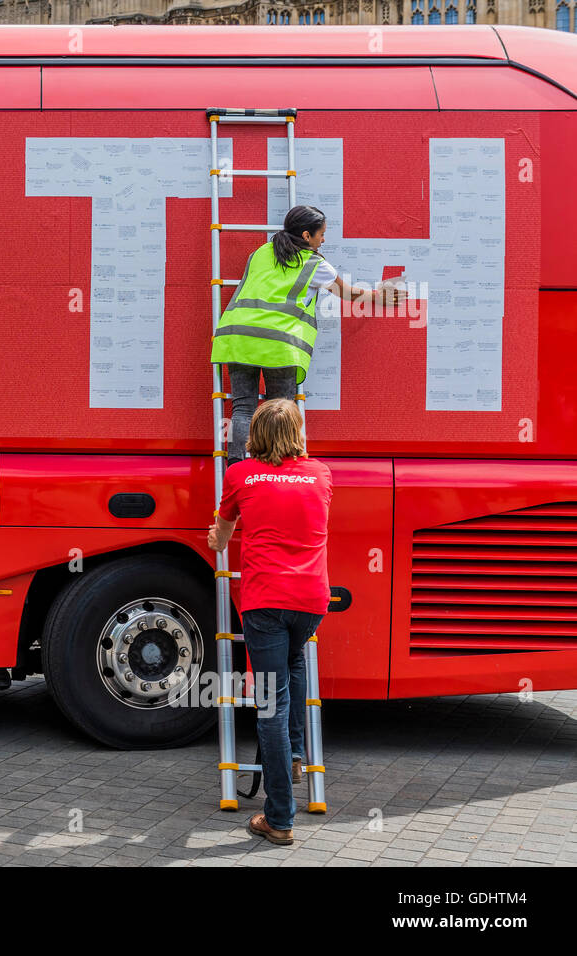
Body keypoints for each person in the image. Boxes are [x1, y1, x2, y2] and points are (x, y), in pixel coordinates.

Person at [207, 398, 332, 846]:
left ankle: (278, 818)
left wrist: (215, 533)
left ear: (252, 436)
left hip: (264, 602)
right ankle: (298, 753)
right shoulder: (320, 475)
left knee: (269, 707)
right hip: (312, 601)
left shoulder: (239, 475)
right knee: (295, 664)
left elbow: (221, 538)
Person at [211, 204, 406, 464]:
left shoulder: (260, 252)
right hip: (278, 344)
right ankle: (272, 469)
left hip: (237, 337)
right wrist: (378, 297)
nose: (323, 240)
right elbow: (345, 292)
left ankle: (237, 469)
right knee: (279, 409)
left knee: (242, 408)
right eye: (321, 234)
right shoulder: (315, 264)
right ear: (306, 236)